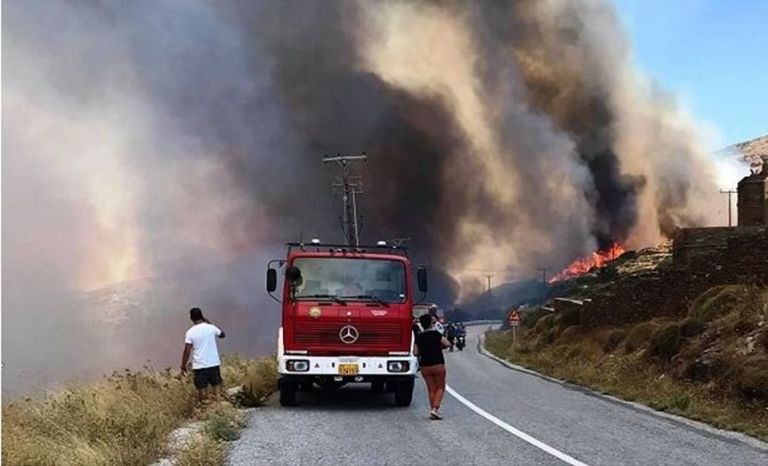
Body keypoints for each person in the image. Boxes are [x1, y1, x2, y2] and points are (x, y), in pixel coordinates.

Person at [180, 307, 226, 403]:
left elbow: (187, 351)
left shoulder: (190, 332)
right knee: (217, 389)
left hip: (199, 366)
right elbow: (222, 335)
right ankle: (219, 408)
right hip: (213, 363)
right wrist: (208, 322)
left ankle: (205, 410)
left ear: (191, 318)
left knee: (202, 391)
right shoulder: (211, 328)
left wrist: (183, 365)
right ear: (202, 316)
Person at [414, 313, 450, 420]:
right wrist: (440, 347)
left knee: (431, 389)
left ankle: (433, 410)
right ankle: (435, 409)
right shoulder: (436, 334)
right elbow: (447, 344)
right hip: (438, 363)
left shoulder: (419, 337)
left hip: (425, 365)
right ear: (431, 323)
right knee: (440, 387)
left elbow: (415, 352)